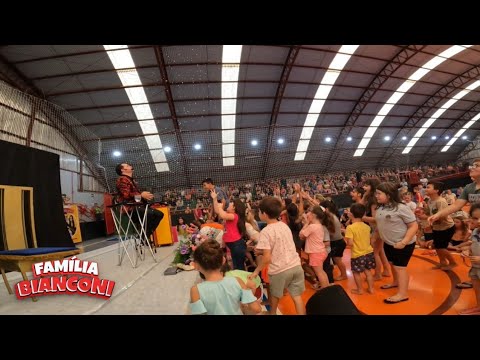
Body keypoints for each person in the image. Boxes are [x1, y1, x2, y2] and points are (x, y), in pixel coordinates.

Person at [250, 196, 306, 315]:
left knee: (274, 298)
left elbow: (267, 258)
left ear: (264, 213)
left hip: (279, 271)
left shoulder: (266, 231)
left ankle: (273, 313)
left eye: (259, 212)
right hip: (295, 266)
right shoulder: (284, 225)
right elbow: (281, 246)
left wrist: (256, 271)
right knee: (297, 297)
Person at [189, 240, 261, 315]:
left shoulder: (195, 290)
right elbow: (256, 309)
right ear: (223, 260)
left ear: (196, 266)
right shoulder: (237, 281)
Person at [375, 182, 418, 304]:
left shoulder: (401, 208)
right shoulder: (381, 207)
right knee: (392, 264)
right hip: (389, 243)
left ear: (388, 195)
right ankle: (395, 282)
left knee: (400, 268)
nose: (376, 196)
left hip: (403, 243)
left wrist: (404, 242)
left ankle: (402, 294)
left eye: (379, 193)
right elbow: (380, 224)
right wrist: (375, 236)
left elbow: (414, 226)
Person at [115, 163, 164, 241]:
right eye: (127, 166)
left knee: (159, 214)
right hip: (130, 208)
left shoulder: (131, 180)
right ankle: (143, 236)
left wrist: (145, 197)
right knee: (153, 214)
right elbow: (126, 195)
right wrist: (141, 195)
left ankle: (144, 235)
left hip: (137, 207)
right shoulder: (122, 179)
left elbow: (136, 198)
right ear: (123, 170)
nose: (130, 165)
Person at [344, 203, 375, 295]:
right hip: (369, 252)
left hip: (357, 254)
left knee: (356, 272)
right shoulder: (367, 226)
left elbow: (350, 243)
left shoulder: (350, 227)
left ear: (351, 214)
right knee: (368, 271)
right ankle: (371, 289)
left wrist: (346, 240)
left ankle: (360, 290)